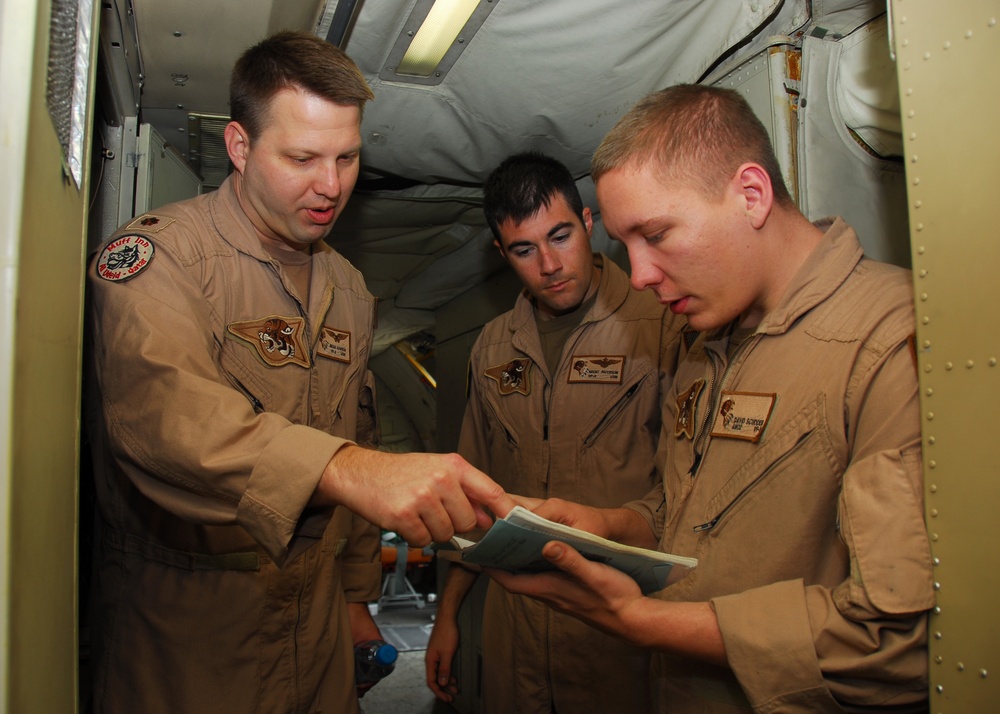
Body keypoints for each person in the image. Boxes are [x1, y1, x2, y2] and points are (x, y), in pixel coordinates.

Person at [84, 31, 512, 714]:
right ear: (240, 146)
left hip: (312, 621)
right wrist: (344, 468)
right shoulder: (160, 258)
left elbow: (359, 430)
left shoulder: (346, 286)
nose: (331, 185)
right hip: (192, 620)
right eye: (303, 158)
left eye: (347, 156)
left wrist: (353, 596)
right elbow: (163, 421)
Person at [487, 85, 935, 712]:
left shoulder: (894, 342)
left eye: (657, 235)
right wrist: (609, 525)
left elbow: (897, 641)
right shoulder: (706, 344)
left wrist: (644, 623)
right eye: (625, 245)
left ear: (750, 195)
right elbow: (685, 509)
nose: (639, 274)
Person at [424, 151, 684, 713]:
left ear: (588, 223)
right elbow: (473, 498)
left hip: (618, 621)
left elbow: (689, 491)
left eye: (561, 236)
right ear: (502, 253)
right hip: (515, 621)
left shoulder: (659, 324)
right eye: (524, 249)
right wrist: (448, 617)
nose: (549, 264)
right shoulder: (493, 346)